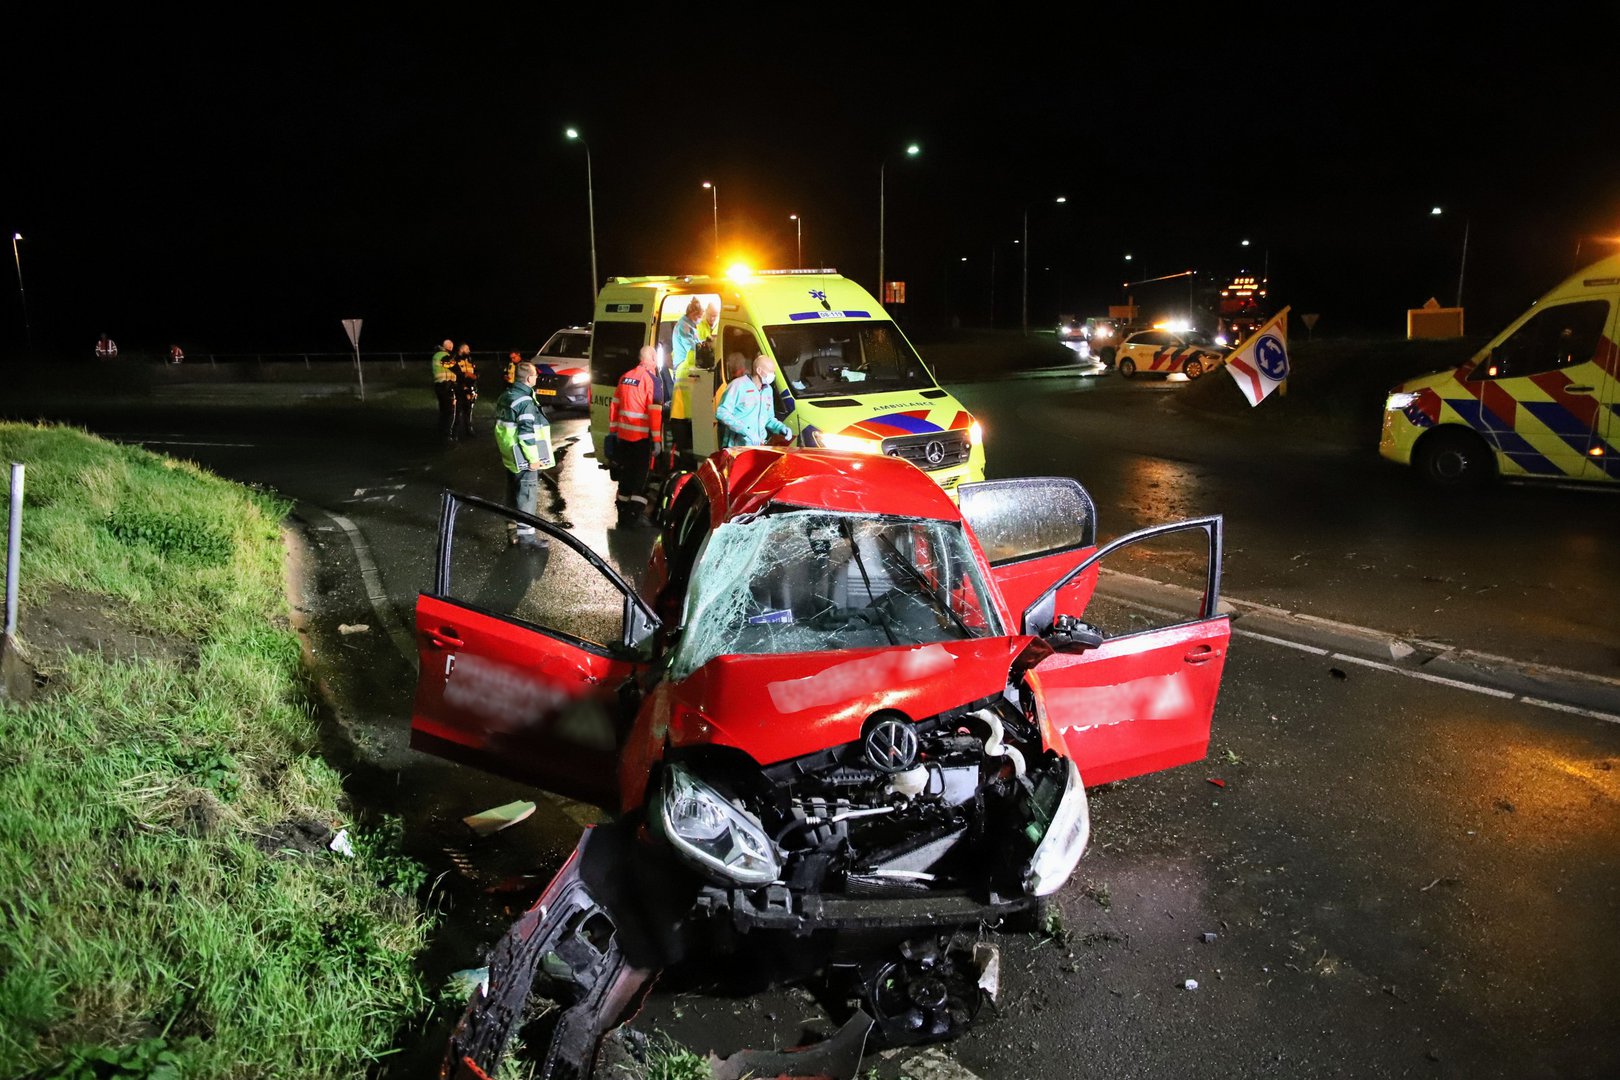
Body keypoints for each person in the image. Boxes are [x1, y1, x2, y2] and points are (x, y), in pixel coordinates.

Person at [494, 361, 555, 548]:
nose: (537, 378)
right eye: (535, 375)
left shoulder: (506, 395)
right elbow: (526, 434)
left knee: (512, 492)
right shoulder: (525, 402)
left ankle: (512, 531)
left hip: (510, 453)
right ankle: (527, 539)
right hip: (524, 456)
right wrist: (533, 459)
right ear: (529, 378)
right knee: (527, 494)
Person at [607, 345, 664, 526]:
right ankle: (633, 517)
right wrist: (657, 440)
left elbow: (614, 406)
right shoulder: (652, 380)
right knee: (641, 479)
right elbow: (655, 412)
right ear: (652, 359)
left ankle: (622, 512)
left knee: (626, 476)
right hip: (641, 438)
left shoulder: (625, 377)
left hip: (623, 437)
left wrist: (613, 432)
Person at [716, 354, 792, 448]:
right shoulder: (737, 385)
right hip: (737, 447)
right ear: (759, 371)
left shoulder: (768, 390)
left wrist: (781, 428)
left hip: (759, 445)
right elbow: (722, 412)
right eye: (770, 371)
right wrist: (745, 430)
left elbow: (769, 419)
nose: (773, 375)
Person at [431, 338, 457, 443]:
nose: (452, 349)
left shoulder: (437, 355)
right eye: (451, 347)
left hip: (440, 386)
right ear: (448, 347)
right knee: (450, 411)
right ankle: (447, 435)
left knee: (444, 411)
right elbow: (453, 366)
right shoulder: (443, 355)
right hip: (446, 386)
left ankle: (441, 433)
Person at [453, 344, 479, 440]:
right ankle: (454, 432)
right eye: (467, 349)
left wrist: (476, 376)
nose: (469, 350)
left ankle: (469, 430)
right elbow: (455, 372)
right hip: (459, 389)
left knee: (468, 410)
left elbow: (476, 371)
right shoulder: (455, 359)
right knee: (457, 410)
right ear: (461, 349)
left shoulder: (470, 359)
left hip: (470, 389)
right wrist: (465, 375)